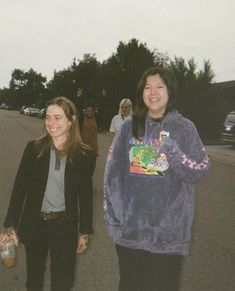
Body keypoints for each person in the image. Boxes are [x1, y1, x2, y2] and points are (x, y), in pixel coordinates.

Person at [104, 66, 210, 291]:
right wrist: (118, 218)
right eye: (148, 87)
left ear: (169, 91)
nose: (153, 92)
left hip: (168, 237)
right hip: (131, 234)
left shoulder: (184, 128)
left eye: (159, 87)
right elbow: (112, 176)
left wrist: (173, 151)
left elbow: (199, 169)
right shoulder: (128, 128)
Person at [0, 96, 95, 291]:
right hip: (36, 224)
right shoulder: (34, 148)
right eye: (48, 117)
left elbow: (85, 195)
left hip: (64, 227)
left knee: (63, 282)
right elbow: (20, 189)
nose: (51, 123)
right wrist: (10, 226)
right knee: (33, 281)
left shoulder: (85, 155)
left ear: (71, 120)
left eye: (58, 118)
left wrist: (85, 230)